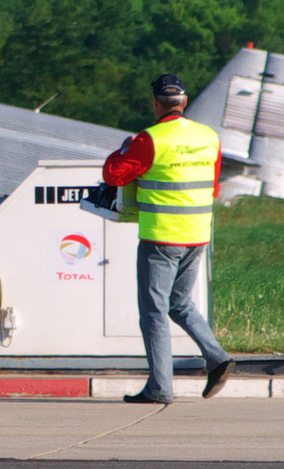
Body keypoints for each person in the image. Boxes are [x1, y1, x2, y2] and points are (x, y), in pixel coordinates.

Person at [99, 74, 235, 404]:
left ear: (157, 104)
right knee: (180, 302)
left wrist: (125, 149)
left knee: (154, 312)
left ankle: (160, 387)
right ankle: (216, 357)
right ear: (184, 103)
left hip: (161, 237)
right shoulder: (209, 137)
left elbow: (113, 174)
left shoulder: (151, 140)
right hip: (198, 235)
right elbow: (214, 186)